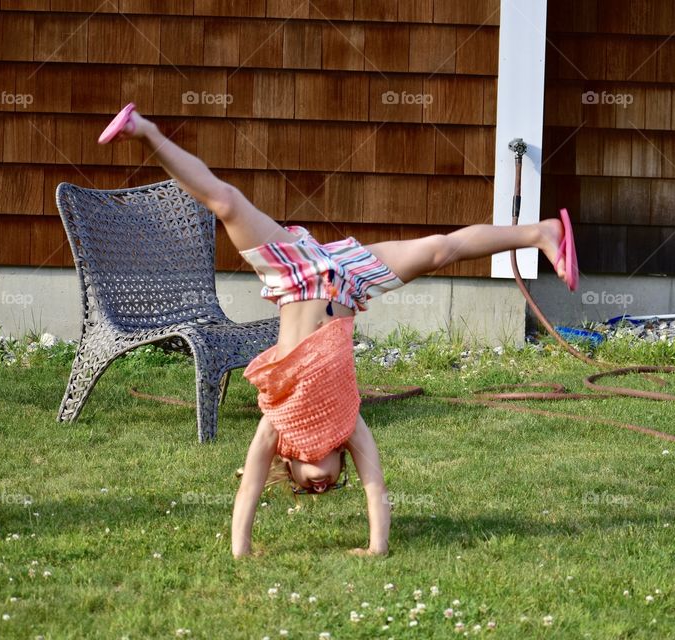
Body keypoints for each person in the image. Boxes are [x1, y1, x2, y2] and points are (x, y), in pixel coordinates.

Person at [99, 103, 577, 558]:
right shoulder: (350, 422)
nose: (320, 484)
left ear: (290, 465)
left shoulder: (276, 425)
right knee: (439, 250)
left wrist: (240, 551)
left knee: (224, 202)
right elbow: (376, 484)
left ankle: (143, 130)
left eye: (308, 485)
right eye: (328, 484)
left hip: (293, 274)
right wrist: (377, 546)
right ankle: (539, 233)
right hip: (346, 282)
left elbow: (248, 488)